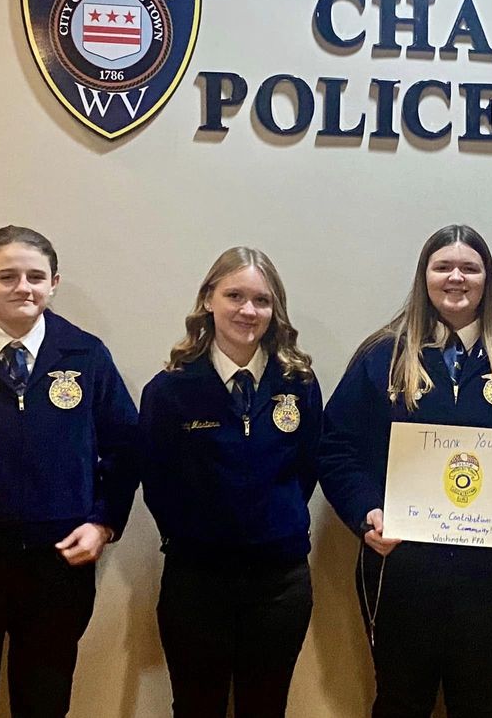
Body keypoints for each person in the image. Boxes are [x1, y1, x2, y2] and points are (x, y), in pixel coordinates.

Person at [318, 224, 492, 718]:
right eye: (443, 267)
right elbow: (337, 447)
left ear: (487, 280)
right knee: (399, 700)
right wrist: (365, 514)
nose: (456, 277)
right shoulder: (383, 355)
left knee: (480, 701)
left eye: (469, 268)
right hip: (399, 566)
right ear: (424, 276)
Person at [0, 225, 138, 718]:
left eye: (35, 276)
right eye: (6, 276)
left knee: (45, 701)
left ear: (54, 283)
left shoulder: (85, 355)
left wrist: (104, 522)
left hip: (58, 565)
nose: (22, 287)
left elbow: (126, 448)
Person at [139, 247, 321, 718]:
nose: (247, 310)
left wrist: (267, 520)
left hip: (279, 582)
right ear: (208, 301)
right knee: (198, 708)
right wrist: (202, 531)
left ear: (274, 310)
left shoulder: (297, 383)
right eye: (234, 295)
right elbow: (156, 480)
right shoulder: (171, 390)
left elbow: (307, 468)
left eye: (261, 300)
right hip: (197, 580)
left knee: (266, 707)